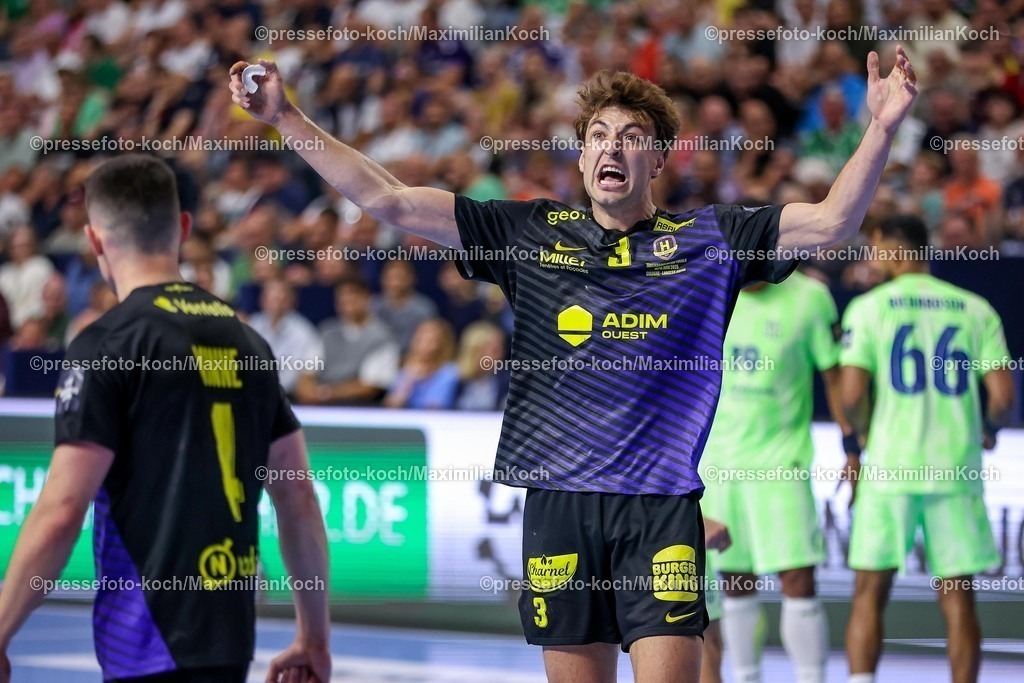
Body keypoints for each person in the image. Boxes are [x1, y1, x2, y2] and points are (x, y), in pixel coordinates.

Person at [230, 46, 919, 681]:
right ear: (583, 156)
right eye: (597, 136)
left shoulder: (711, 239)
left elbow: (832, 222)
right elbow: (390, 200)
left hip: (660, 511)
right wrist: (286, 116)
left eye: (630, 138)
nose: (609, 148)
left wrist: (882, 128)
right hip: (560, 507)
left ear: (659, 159)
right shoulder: (530, 233)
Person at [0, 155, 331, 683]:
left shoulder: (108, 342)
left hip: (144, 641)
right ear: (181, 227)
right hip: (229, 637)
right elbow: (298, 498)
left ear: (94, 239)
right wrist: (313, 636)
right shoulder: (248, 340)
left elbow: (63, 509)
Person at [840, 215, 1015, 683]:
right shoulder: (976, 308)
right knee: (957, 596)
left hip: (890, 468)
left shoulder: (869, 308)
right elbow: (1002, 397)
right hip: (954, 468)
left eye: (875, 249)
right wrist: (989, 430)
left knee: (868, 591)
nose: (871, 260)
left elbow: (852, 395)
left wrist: (863, 435)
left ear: (892, 248)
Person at [699, 271, 858, 683]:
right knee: (734, 581)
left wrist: (852, 445)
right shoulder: (709, 288)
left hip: (780, 465)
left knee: (797, 577)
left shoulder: (811, 297)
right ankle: (747, 677)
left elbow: (834, 374)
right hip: (718, 465)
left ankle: (811, 677)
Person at [248, 277, 323, 396]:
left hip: (288, 397)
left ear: (292, 302)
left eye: (281, 298)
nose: (276, 304)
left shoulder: (303, 332)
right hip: (254, 394)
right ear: (262, 300)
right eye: (272, 298)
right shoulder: (253, 325)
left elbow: (304, 371)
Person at [383, 318, 460, 410]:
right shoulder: (406, 370)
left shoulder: (449, 372)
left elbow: (435, 407)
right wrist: (409, 379)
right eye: (421, 340)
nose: (424, 346)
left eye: (431, 341)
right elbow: (392, 405)